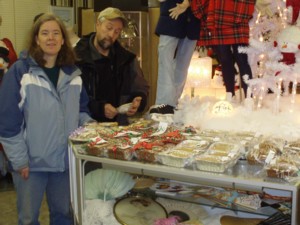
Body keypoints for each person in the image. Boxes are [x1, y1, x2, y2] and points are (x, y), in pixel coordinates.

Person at [0, 13, 93, 225]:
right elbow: (7, 122)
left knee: (63, 216)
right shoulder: (21, 72)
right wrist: (19, 159)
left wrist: (93, 129)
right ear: (36, 39)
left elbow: (81, 111)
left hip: (63, 163)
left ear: (63, 40)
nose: (50, 38)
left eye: (56, 33)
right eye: (45, 33)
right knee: (28, 219)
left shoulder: (74, 74)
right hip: (31, 164)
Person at [75, 7, 149, 125]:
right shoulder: (77, 58)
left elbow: (140, 87)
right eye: (109, 28)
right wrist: (99, 108)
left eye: (117, 31)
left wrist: (138, 100)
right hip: (85, 125)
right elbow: (72, 97)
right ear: (98, 24)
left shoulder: (126, 59)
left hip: (118, 127)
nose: (111, 35)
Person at [191, 0, 255, 101]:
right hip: (217, 17)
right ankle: (230, 94)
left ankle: (249, 97)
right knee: (225, 60)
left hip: (235, 17)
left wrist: (242, 14)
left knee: (242, 59)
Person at [149, 0, 200, 115]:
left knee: (183, 63)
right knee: (165, 58)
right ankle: (164, 103)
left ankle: (172, 103)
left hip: (193, 15)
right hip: (172, 12)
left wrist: (188, 2)